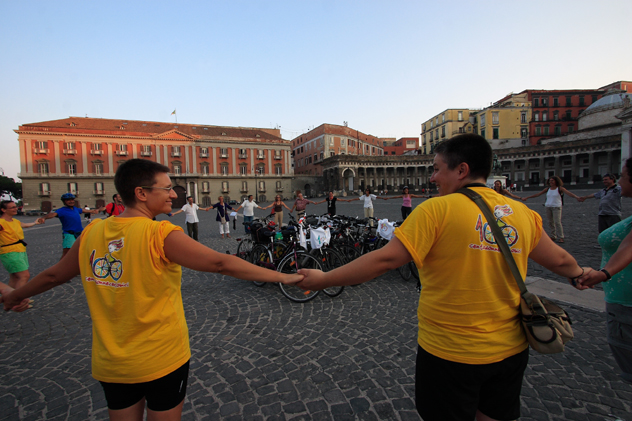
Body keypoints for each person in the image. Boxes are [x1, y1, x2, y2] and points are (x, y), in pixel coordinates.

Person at [294, 134, 587, 421]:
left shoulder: (436, 209)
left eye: (437, 169)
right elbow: (561, 260)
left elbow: (385, 259)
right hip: (510, 351)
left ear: (462, 170)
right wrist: (584, 274)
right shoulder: (522, 213)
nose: (432, 178)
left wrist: (324, 279)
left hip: (451, 351)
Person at [0, 159, 303, 420]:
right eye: (167, 188)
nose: (174, 194)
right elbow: (221, 264)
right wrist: (284, 277)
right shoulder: (160, 233)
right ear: (141, 193)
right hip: (161, 357)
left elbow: (54, 275)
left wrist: (14, 295)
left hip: (112, 361)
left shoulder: (94, 230)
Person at [577, 159, 632, 384]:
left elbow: (630, 246)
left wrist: (603, 274)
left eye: (623, 175)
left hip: (627, 307)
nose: (620, 180)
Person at [0, 200, 41, 311]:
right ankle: (18, 300)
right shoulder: (1, 222)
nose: (15, 208)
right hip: (9, 251)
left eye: (15, 206)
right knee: (24, 276)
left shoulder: (15, 221)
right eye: (12, 207)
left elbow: (25, 225)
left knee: (15, 276)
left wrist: (35, 222)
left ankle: (8, 297)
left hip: (19, 250)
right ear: (3, 210)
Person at [37, 194, 105, 258]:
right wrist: (44, 218)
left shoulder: (75, 209)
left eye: (72, 199)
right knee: (67, 254)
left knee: (83, 250)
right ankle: (61, 268)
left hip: (80, 233)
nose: (71, 201)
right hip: (69, 234)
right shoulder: (61, 210)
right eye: (68, 200)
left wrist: (96, 210)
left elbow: (86, 211)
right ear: (64, 201)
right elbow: (52, 214)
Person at [522, 175, 580, 243]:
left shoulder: (560, 189)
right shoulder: (547, 189)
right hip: (548, 207)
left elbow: (569, 193)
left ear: (556, 181)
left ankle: (561, 237)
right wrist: (528, 197)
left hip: (556, 207)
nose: (550, 182)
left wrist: (577, 197)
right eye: (550, 180)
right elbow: (538, 194)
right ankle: (553, 235)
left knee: (557, 222)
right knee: (551, 222)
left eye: (552, 180)